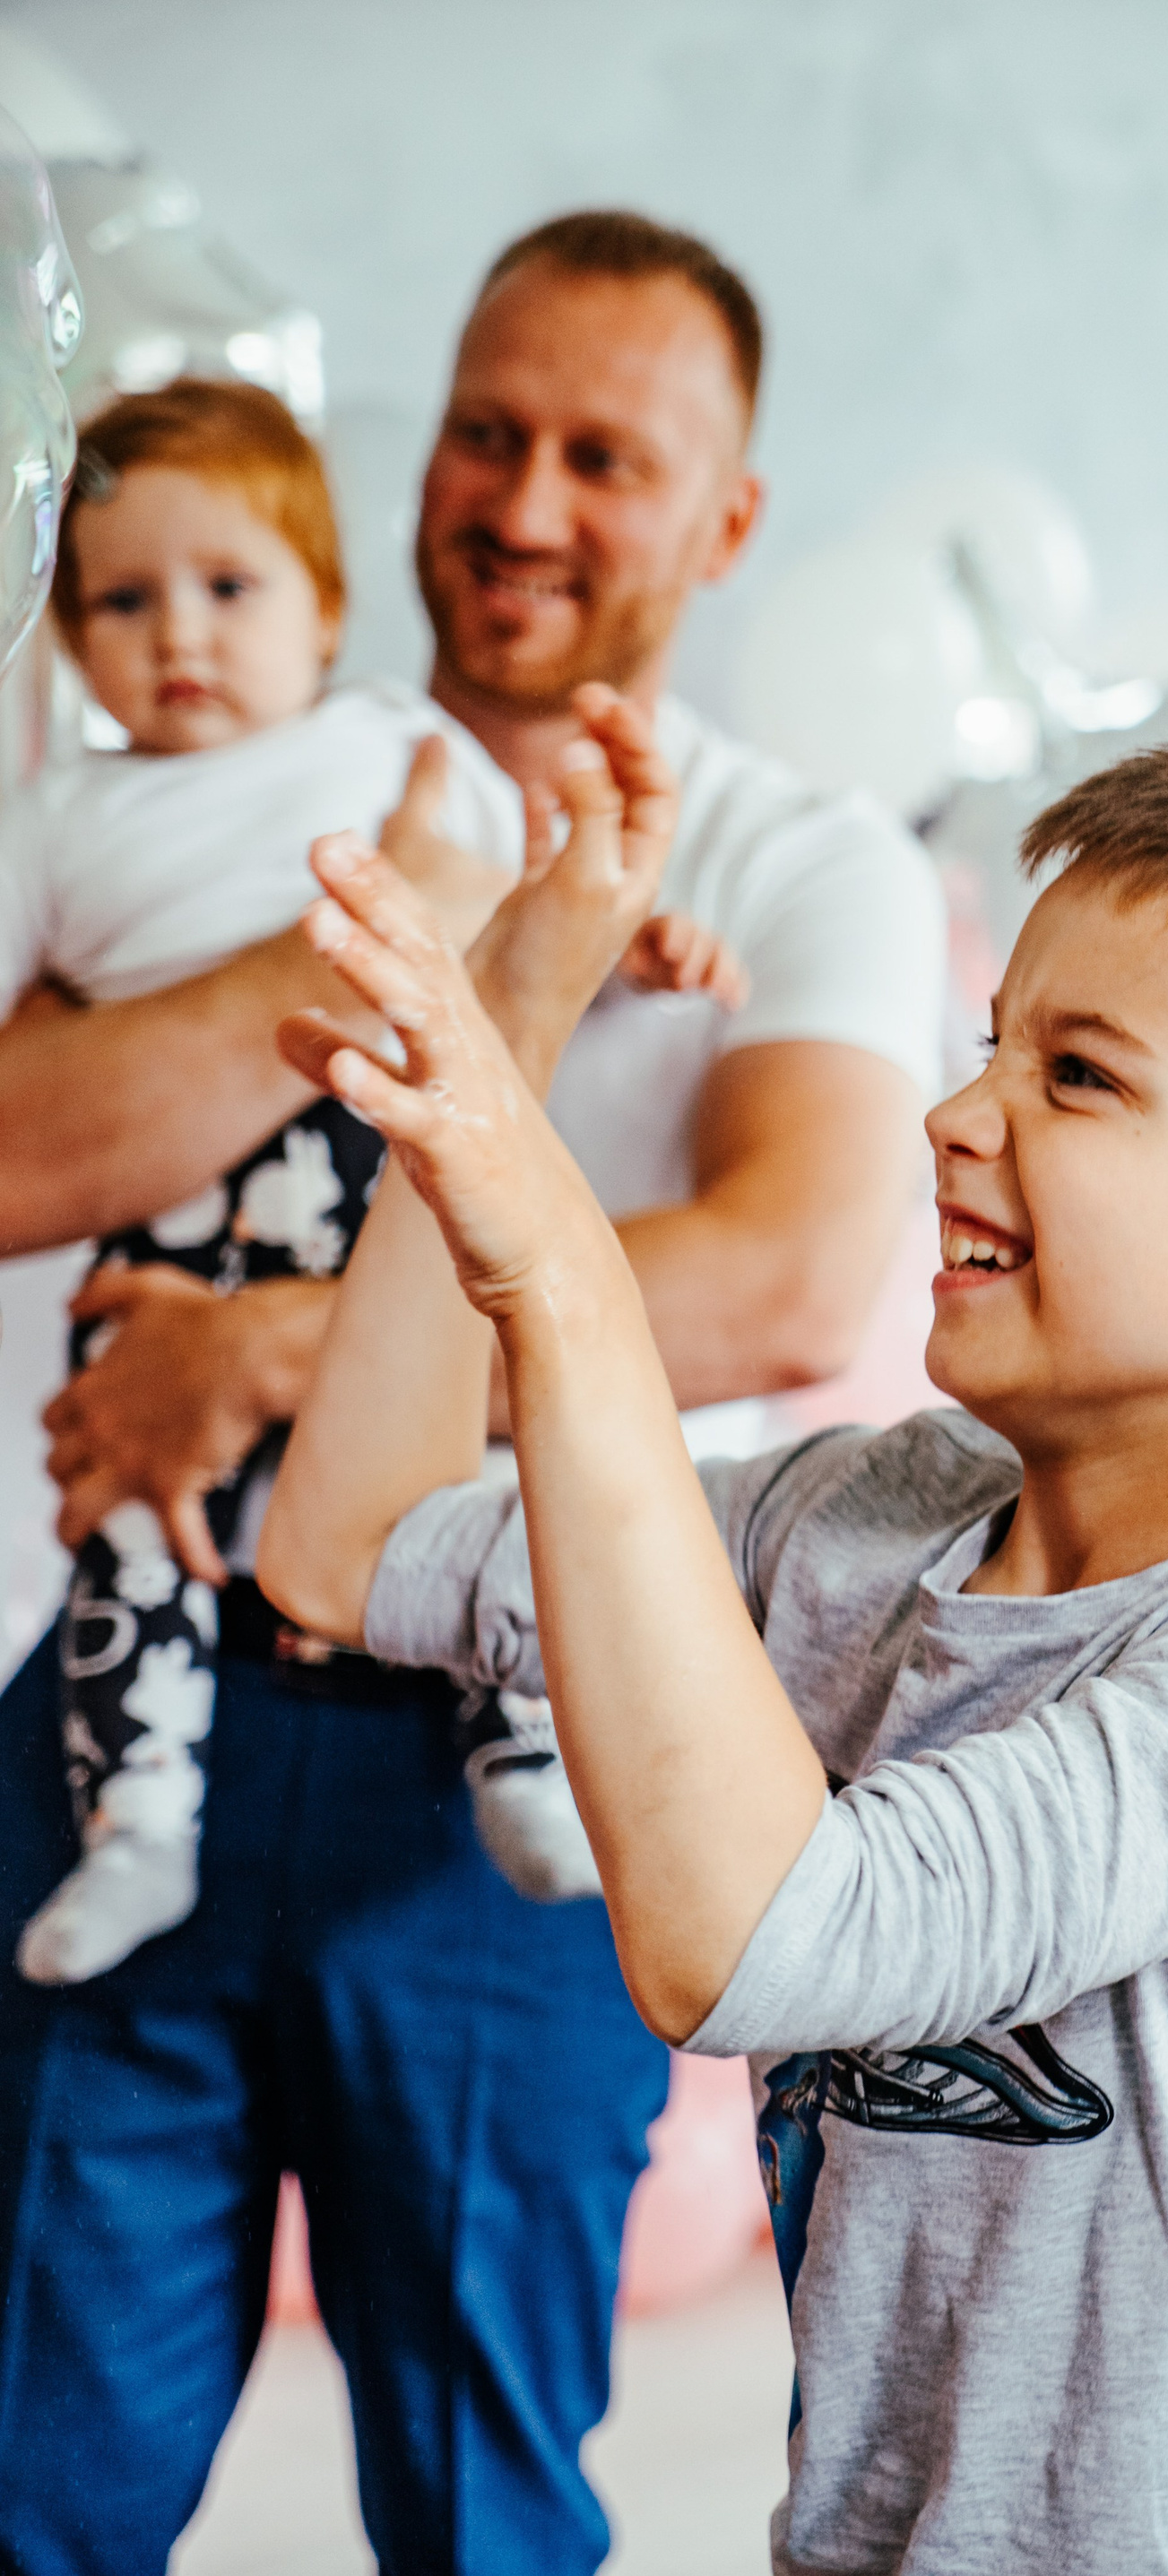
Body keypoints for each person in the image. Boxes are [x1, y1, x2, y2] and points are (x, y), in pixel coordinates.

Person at [259, 732, 1168, 2573]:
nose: (955, 1113)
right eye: (990, 1042)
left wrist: (568, 1281)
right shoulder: (877, 1513)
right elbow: (347, 1545)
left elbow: (762, 1939)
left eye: (1078, 1073)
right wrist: (497, 1028)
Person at [0, 214, 944, 2575]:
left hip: (523, 1749)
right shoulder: (225, 779)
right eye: (487, 434)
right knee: (38, 2473)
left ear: (726, 520)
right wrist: (417, 907)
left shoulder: (791, 856)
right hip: (140, 1709)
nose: (524, 506)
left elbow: (796, 1273)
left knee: (479, 2503)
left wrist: (271, 1355)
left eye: (604, 460)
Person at [4, 375, 747, 1985]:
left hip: (379, 1178)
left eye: (229, 587)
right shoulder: (56, 819)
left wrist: (643, 947)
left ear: (327, 610)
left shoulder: (392, 748)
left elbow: (526, 908)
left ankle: (522, 1750)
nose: (179, 634)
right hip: (172, 1235)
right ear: (65, 633)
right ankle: (136, 1817)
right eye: (122, 601)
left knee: (453, 1473)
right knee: (135, 1499)